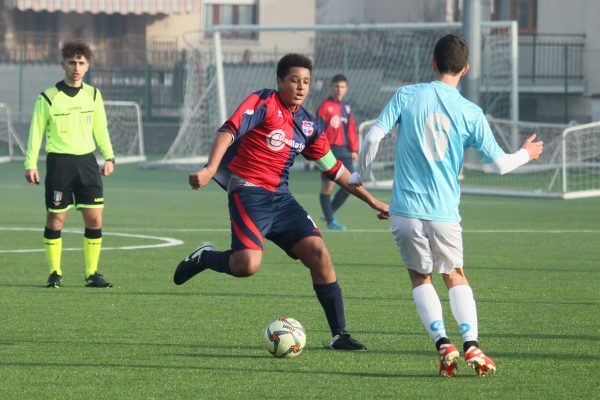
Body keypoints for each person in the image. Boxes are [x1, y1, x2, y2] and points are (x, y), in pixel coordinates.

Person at [349, 34, 543, 376]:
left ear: (433, 62)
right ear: (465, 69)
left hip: (405, 210)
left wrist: (359, 174)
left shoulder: (407, 95)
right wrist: (526, 153)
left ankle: (443, 343)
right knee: (454, 275)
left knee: (420, 277)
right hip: (444, 214)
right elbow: (498, 165)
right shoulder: (470, 111)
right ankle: (471, 345)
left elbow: (372, 136)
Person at [173, 53, 389, 351]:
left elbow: (336, 170)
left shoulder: (309, 125)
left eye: (306, 82)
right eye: (294, 80)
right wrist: (210, 169)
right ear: (279, 81)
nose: (301, 87)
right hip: (247, 193)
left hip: (281, 199)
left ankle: (339, 334)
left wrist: (372, 201)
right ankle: (204, 257)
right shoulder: (264, 102)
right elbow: (228, 131)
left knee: (319, 253)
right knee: (247, 265)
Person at [24, 40, 115, 288]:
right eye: (72, 62)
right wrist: (30, 163)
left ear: (88, 66)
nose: (76, 67)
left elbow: (101, 129)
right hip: (59, 164)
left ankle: (92, 273)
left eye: (81, 63)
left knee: (95, 219)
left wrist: (109, 157)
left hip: (87, 163)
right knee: (56, 220)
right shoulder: (48, 97)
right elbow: (36, 132)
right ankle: (55, 273)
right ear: (62, 64)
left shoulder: (94, 95)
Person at [316, 74, 359, 230]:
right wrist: (320, 151)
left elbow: (352, 130)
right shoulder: (324, 107)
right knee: (328, 187)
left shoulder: (346, 107)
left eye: (342, 87)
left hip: (345, 151)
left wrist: (354, 149)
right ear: (331, 88)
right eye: (336, 86)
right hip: (329, 151)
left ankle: (329, 212)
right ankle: (330, 221)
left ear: (346, 89)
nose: (339, 90)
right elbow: (318, 131)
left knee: (352, 184)